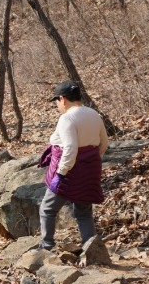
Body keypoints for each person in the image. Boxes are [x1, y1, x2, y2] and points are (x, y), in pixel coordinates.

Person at [37, 80, 109, 251]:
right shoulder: (94, 114)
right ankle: (90, 249)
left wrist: (61, 174)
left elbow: (70, 148)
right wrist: (90, 161)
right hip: (89, 170)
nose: (57, 105)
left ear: (62, 99)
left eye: (57, 101)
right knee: (83, 213)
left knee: (47, 209)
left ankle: (46, 246)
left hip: (68, 171)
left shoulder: (67, 118)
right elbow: (104, 143)